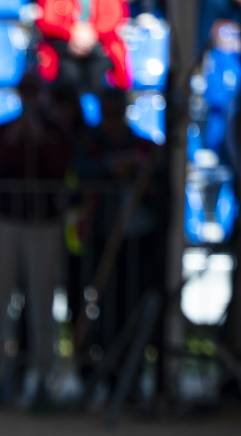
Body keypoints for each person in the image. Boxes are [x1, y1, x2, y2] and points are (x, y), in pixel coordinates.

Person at [0, 74, 72, 410]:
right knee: (0, 302)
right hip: (9, 219)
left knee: (42, 304)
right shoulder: (4, 129)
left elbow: (60, 167)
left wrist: (41, 139)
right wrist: (18, 139)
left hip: (43, 223)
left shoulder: (55, 131)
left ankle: (42, 379)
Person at [74, 87, 166, 380]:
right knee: (103, 309)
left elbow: (161, 181)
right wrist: (113, 167)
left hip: (138, 240)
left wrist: (140, 170)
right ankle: (100, 374)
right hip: (102, 236)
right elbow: (81, 172)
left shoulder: (143, 146)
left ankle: (132, 375)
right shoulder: (89, 144)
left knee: (132, 308)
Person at [33, 0, 130, 93]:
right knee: (68, 76)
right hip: (63, 47)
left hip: (100, 46)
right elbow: (47, 19)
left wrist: (93, 32)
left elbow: (115, 17)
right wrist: (71, 32)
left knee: (100, 75)